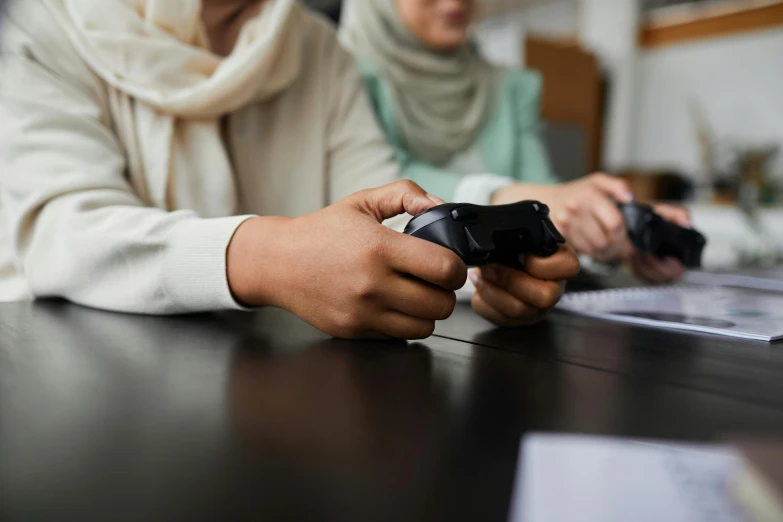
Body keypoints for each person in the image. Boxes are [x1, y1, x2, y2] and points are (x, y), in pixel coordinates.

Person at [0, 0, 579, 338]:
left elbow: (387, 217)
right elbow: (58, 232)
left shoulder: (318, 49)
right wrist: (269, 256)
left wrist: (475, 260)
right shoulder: (40, 26)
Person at [339, 0, 690, 284]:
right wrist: (505, 198)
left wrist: (614, 232)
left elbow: (546, 196)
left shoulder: (511, 88)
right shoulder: (346, 77)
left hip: (507, 303)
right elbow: (375, 182)